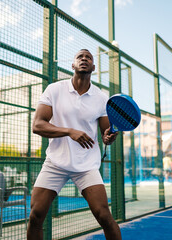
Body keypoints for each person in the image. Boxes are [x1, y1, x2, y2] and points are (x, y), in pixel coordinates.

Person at [27, 49, 122, 240]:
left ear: (93, 67)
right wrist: (70, 131)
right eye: (80, 56)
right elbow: (37, 125)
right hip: (55, 163)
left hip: (86, 165)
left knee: (104, 216)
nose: (84, 59)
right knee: (36, 215)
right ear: (73, 65)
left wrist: (110, 137)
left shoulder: (102, 98)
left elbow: (106, 135)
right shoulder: (54, 89)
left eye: (88, 57)